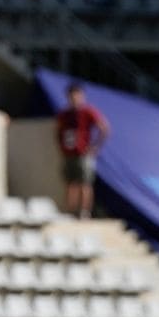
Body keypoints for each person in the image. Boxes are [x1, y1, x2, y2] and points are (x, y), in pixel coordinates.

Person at [54, 81, 110, 219]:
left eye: (76, 95)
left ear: (81, 96)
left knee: (85, 183)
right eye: (71, 96)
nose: (74, 98)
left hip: (84, 154)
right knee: (70, 183)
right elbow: (58, 132)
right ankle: (70, 212)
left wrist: (95, 147)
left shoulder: (88, 111)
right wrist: (61, 147)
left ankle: (85, 212)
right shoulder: (64, 114)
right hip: (69, 154)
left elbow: (104, 128)